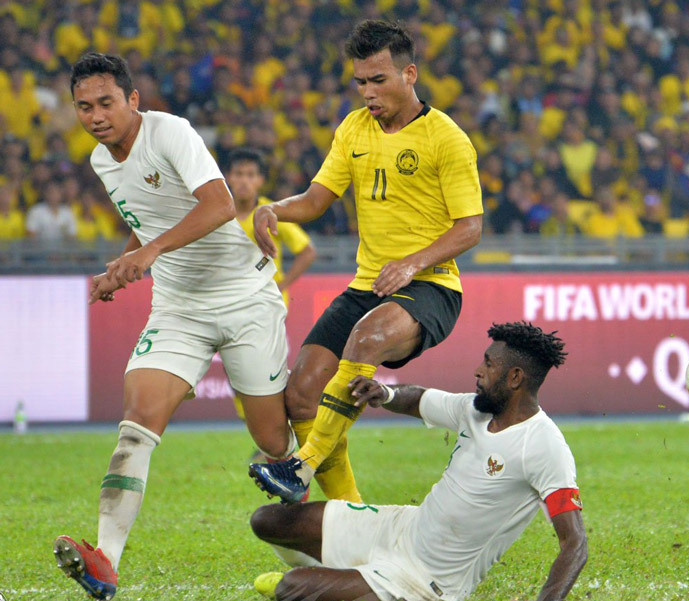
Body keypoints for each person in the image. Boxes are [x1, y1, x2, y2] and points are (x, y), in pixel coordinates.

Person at [53, 53, 298, 601]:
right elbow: (150, 226)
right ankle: (105, 561)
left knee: (273, 444)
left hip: (244, 297)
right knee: (137, 420)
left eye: (106, 103)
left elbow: (219, 204)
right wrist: (123, 266)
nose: (95, 116)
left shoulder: (170, 132)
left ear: (133, 100)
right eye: (84, 107)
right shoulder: (101, 160)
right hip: (178, 306)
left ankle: (315, 556)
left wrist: (151, 251)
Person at [249, 20, 483, 505]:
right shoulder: (353, 127)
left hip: (432, 287)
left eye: (378, 80)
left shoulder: (447, 138)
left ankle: (303, 465)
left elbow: (470, 228)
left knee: (368, 338)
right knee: (301, 394)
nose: (367, 92)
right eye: (360, 82)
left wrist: (413, 263)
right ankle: (349, 511)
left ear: (409, 74)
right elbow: (317, 199)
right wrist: (274, 208)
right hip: (369, 286)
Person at [250, 322, 587, 601]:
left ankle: (334, 581)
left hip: (425, 580)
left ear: (514, 378)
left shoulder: (543, 445)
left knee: (292, 588)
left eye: (489, 364)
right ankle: (346, 577)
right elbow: (422, 399)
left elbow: (574, 543)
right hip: (400, 529)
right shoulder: (475, 410)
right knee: (266, 521)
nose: (478, 371)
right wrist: (386, 394)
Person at [224, 146, 317, 452]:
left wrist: (284, 284)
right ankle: (260, 433)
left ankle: (276, 438)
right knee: (236, 371)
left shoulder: (271, 211)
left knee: (267, 370)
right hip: (229, 301)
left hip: (266, 303)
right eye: (238, 174)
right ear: (228, 177)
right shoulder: (217, 213)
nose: (243, 181)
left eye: (250, 175)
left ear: (260, 180)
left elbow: (307, 250)